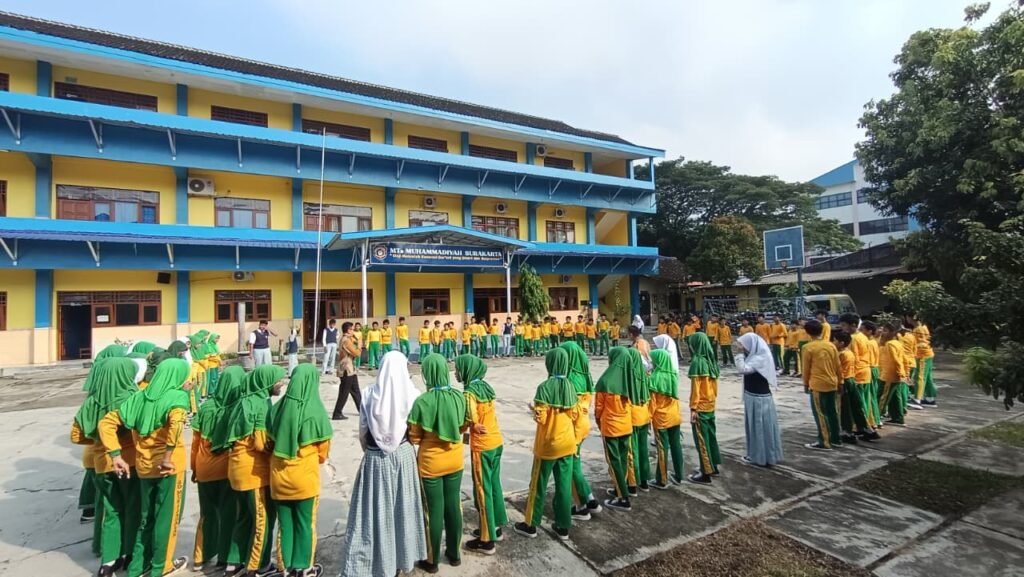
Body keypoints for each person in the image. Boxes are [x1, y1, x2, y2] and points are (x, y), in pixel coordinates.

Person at [101, 358, 192, 577]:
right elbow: (177, 426)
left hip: (143, 467)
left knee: (145, 517)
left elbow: (106, 423)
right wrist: (168, 455)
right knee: (166, 519)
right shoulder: (177, 397)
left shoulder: (138, 398)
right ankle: (162, 566)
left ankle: (137, 567)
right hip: (168, 469)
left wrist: (115, 455)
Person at [341, 351, 426, 577]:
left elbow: (362, 430)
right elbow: (416, 431)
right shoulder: (413, 394)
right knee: (402, 509)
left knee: (375, 511)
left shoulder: (369, 394)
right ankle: (401, 560)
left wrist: (369, 451)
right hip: (404, 455)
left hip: (375, 458)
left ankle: (376, 562)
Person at [72, 357, 140, 576]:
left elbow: (76, 435)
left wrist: (98, 443)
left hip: (101, 464)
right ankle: (128, 555)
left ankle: (108, 562)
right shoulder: (132, 398)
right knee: (132, 508)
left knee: (112, 512)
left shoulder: (91, 402)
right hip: (129, 462)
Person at [218, 364, 286, 577]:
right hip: (253, 473)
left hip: (236, 469)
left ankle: (234, 561)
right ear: (266, 383)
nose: (282, 384)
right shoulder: (260, 405)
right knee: (262, 520)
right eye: (278, 381)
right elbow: (259, 443)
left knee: (244, 517)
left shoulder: (243, 401)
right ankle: (258, 566)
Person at [269, 364, 332, 577]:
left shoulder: (276, 410)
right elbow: (323, 455)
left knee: (285, 525)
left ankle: (285, 568)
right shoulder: (316, 413)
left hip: (278, 477)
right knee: (305, 524)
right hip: (305, 479)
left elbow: (268, 441)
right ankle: (303, 567)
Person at [408, 354, 467, 573]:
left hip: (430, 464)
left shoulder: (422, 402)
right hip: (455, 460)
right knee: (454, 507)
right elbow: (463, 426)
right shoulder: (459, 397)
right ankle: (454, 554)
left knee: (433, 511)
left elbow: (414, 437)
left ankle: (431, 560)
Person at [515, 348, 579, 541]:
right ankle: (563, 526)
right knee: (563, 485)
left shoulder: (544, 387)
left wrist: (533, 408)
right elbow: (575, 414)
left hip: (548, 445)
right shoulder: (570, 386)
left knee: (538, 485)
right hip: (568, 443)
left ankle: (531, 524)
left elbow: (541, 418)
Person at [190, 365, 243, 573]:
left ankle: (199, 557)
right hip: (227, 469)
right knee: (230, 514)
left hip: (204, 469)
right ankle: (225, 557)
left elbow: (195, 443)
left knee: (207, 514)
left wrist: (194, 467)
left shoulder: (206, 407)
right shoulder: (237, 408)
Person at [456, 355, 508, 554]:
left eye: (460, 369)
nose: (458, 373)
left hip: (483, 447)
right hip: (496, 442)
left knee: (482, 489)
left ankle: (486, 540)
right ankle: (495, 526)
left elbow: (470, 418)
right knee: (494, 485)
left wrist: (459, 428)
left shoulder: (469, 392)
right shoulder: (486, 388)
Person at [560, 342, 602, 518]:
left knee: (570, 465)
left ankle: (581, 507)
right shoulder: (585, 376)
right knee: (575, 462)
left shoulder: (569, 379)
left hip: (573, 426)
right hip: (584, 425)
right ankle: (590, 499)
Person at [595, 347, 635, 511]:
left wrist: (599, 421)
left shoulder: (605, 381)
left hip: (611, 427)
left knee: (614, 461)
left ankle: (622, 498)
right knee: (623, 458)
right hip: (626, 425)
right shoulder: (629, 378)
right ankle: (621, 487)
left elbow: (598, 408)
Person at [735, 333, 784, 466]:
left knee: (759, 428)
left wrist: (739, 354)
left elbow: (742, 369)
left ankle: (759, 457)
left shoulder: (760, 357)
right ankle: (761, 455)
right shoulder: (758, 355)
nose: (741, 347)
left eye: (743, 345)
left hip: (758, 399)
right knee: (759, 427)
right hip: (756, 396)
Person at [838, 313, 880, 442]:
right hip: (863, 372)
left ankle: (852, 429)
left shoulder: (854, 338)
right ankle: (866, 428)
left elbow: (853, 358)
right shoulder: (862, 336)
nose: (842, 328)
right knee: (860, 403)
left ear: (853, 325)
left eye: (844, 325)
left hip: (856, 374)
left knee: (853, 404)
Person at [802, 320, 842, 450]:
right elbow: (838, 366)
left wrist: (805, 384)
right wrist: (840, 381)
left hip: (818, 384)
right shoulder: (831, 346)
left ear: (807, 332)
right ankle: (836, 439)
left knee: (820, 413)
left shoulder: (808, 347)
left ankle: (824, 441)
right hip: (832, 382)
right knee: (832, 412)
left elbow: (806, 368)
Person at [687, 333, 721, 484]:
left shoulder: (697, 362)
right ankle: (713, 466)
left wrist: (693, 408)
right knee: (711, 437)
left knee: (702, 440)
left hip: (700, 406)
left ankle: (705, 473)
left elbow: (696, 388)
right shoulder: (711, 360)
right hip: (711, 404)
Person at [648, 348, 684, 488]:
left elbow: (652, 404)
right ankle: (679, 475)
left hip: (661, 419)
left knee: (662, 449)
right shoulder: (673, 374)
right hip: (675, 416)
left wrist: (647, 420)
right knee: (676, 446)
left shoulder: (655, 378)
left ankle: (661, 480)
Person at [625, 347, 652, 492]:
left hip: (632, 417)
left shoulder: (627, 376)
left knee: (631, 450)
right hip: (644, 416)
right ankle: (644, 480)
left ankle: (632, 483)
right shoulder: (644, 375)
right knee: (643, 449)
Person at [879, 322, 910, 426]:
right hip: (896, 375)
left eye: (885, 331)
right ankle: (898, 418)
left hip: (889, 375)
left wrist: (901, 373)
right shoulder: (897, 343)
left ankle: (876, 417)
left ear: (893, 332)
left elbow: (896, 360)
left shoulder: (890, 344)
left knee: (882, 397)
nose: (882, 333)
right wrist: (905, 372)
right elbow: (905, 359)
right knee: (895, 397)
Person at [332, 322, 363, 420]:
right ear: (348, 330)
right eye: (352, 329)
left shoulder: (348, 339)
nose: (353, 331)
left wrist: (355, 338)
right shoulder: (346, 340)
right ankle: (337, 413)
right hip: (346, 369)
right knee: (344, 392)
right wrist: (359, 345)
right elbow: (356, 353)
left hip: (350, 369)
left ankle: (362, 410)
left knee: (356, 390)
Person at [907, 316, 938, 408]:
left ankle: (917, 399)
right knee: (928, 377)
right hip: (928, 354)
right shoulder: (923, 327)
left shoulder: (918, 329)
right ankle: (930, 398)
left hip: (922, 355)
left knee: (919, 377)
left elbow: (919, 343)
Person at [860, 321, 883, 428]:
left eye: (862, 329)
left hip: (870, 368)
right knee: (872, 396)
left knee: (870, 397)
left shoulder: (868, 342)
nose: (860, 331)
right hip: (874, 368)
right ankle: (876, 420)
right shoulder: (873, 342)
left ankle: (873, 420)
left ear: (869, 331)